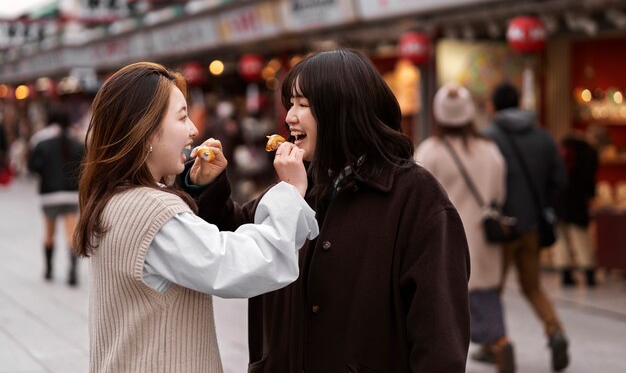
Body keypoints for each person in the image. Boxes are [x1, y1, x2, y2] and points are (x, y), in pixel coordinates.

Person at [191, 49, 470, 373]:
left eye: (303, 105)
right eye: (290, 104)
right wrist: (209, 186)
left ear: (342, 110)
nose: (290, 117)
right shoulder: (300, 182)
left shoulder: (416, 197)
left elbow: (439, 336)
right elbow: (239, 234)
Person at [72, 62, 319, 373]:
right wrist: (291, 191)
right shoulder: (150, 211)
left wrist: (196, 186)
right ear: (145, 130)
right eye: (182, 117)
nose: (193, 130)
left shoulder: (117, 199)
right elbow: (244, 264)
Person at [415, 83, 514, 373]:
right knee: (484, 294)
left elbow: (418, 197)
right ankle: (499, 339)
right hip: (482, 236)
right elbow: (499, 193)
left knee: (444, 303)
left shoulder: (430, 151)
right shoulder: (490, 149)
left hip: (443, 236)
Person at [483, 82, 569, 372]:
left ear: (494, 106)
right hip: (532, 225)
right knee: (532, 287)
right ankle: (555, 330)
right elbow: (560, 180)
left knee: (492, 288)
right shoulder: (543, 137)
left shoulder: (489, 138)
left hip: (502, 228)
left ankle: (497, 343)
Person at [28, 103, 84, 285]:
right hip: (70, 194)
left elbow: (33, 167)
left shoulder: (40, 141)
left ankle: (49, 269)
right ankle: (73, 271)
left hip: (49, 194)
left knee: (49, 233)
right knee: (71, 233)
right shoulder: (76, 141)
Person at [553, 128, 599, 287]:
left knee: (561, 238)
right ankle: (588, 272)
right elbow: (590, 180)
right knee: (581, 237)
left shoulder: (559, 152)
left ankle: (565, 273)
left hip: (559, 201)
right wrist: (591, 198)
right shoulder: (589, 153)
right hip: (578, 201)